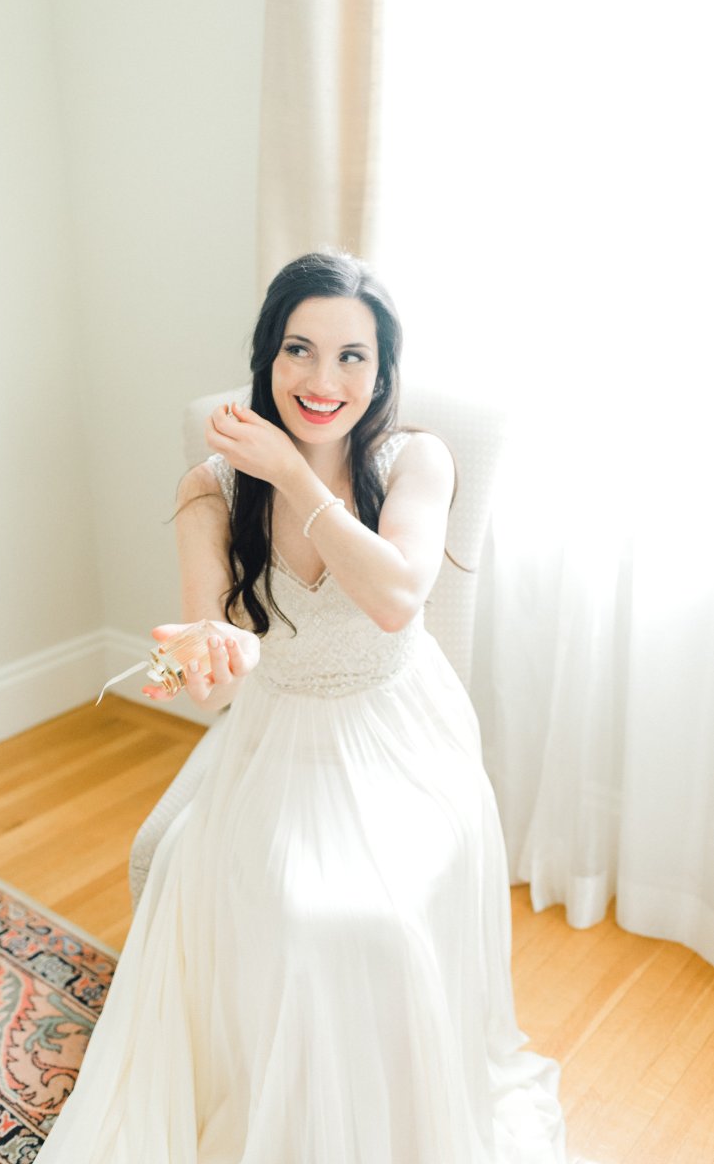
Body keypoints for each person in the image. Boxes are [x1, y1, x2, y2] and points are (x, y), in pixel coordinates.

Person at [36, 252, 570, 1163]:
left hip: (399, 737)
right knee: (278, 908)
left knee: (367, 921)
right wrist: (207, 655)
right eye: (299, 349)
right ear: (266, 357)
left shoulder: (417, 461)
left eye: (351, 355)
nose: (323, 380)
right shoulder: (208, 489)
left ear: (382, 370)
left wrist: (292, 472)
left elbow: (396, 599)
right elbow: (206, 682)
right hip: (276, 737)